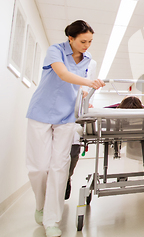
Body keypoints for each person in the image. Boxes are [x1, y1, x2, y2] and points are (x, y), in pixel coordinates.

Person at [25, 20, 105, 237]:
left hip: (67, 117)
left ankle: (52, 220)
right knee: (39, 168)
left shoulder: (90, 61)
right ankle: (40, 205)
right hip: (41, 112)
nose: (87, 45)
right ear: (70, 38)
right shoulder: (56, 51)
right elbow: (63, 74)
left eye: (89, 41)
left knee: (60, 168)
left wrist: (87, 98)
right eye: (82, 41)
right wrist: (89, 84)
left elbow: (83, 90)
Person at [65, 59, 96, 200]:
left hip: (74, 135)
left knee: (70, 163)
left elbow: (88, 96)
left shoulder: (86, 90)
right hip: (60, 126)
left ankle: (66, 180)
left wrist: (88, 104)